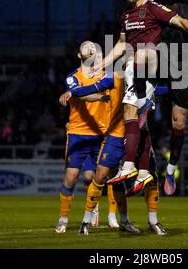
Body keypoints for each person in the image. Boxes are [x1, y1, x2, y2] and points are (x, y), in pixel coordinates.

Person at [115, 0, 188, 195]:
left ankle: (170, 166)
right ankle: (136, 158)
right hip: (160, 56)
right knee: (139, 96)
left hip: (183, 63)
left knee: (179, 122)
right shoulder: (167, 0)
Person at [99, 0, 188, 193]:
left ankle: (170, 168)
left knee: (178, 122)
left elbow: (177, 19)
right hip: (140, 69)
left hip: (172, 63)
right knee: (134, 118)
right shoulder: (126, 15)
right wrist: (103, 64)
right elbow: (121, 44)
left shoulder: (159, 6)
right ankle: (141, 170)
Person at [59, 41, 167, 235]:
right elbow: (88, 89)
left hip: (140, 134)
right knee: (101, 176)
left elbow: (162, 90)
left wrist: (181, 92)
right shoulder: (114, 78)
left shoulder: (145, 81)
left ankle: (151, 221)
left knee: (151, 177)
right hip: (116, 134)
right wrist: (73, 90)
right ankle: (85, 221)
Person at [55, 40, 125, 233]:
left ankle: (111, 215)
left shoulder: (107, 76)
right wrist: (99, 95)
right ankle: (63, 219)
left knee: (108, 175)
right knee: (72, 177)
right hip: (78, 133)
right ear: (79, 55)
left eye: (94, 46)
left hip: (102, 133)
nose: (91, 46)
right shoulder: (72, 78)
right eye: (86, 45)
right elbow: (80, 94)